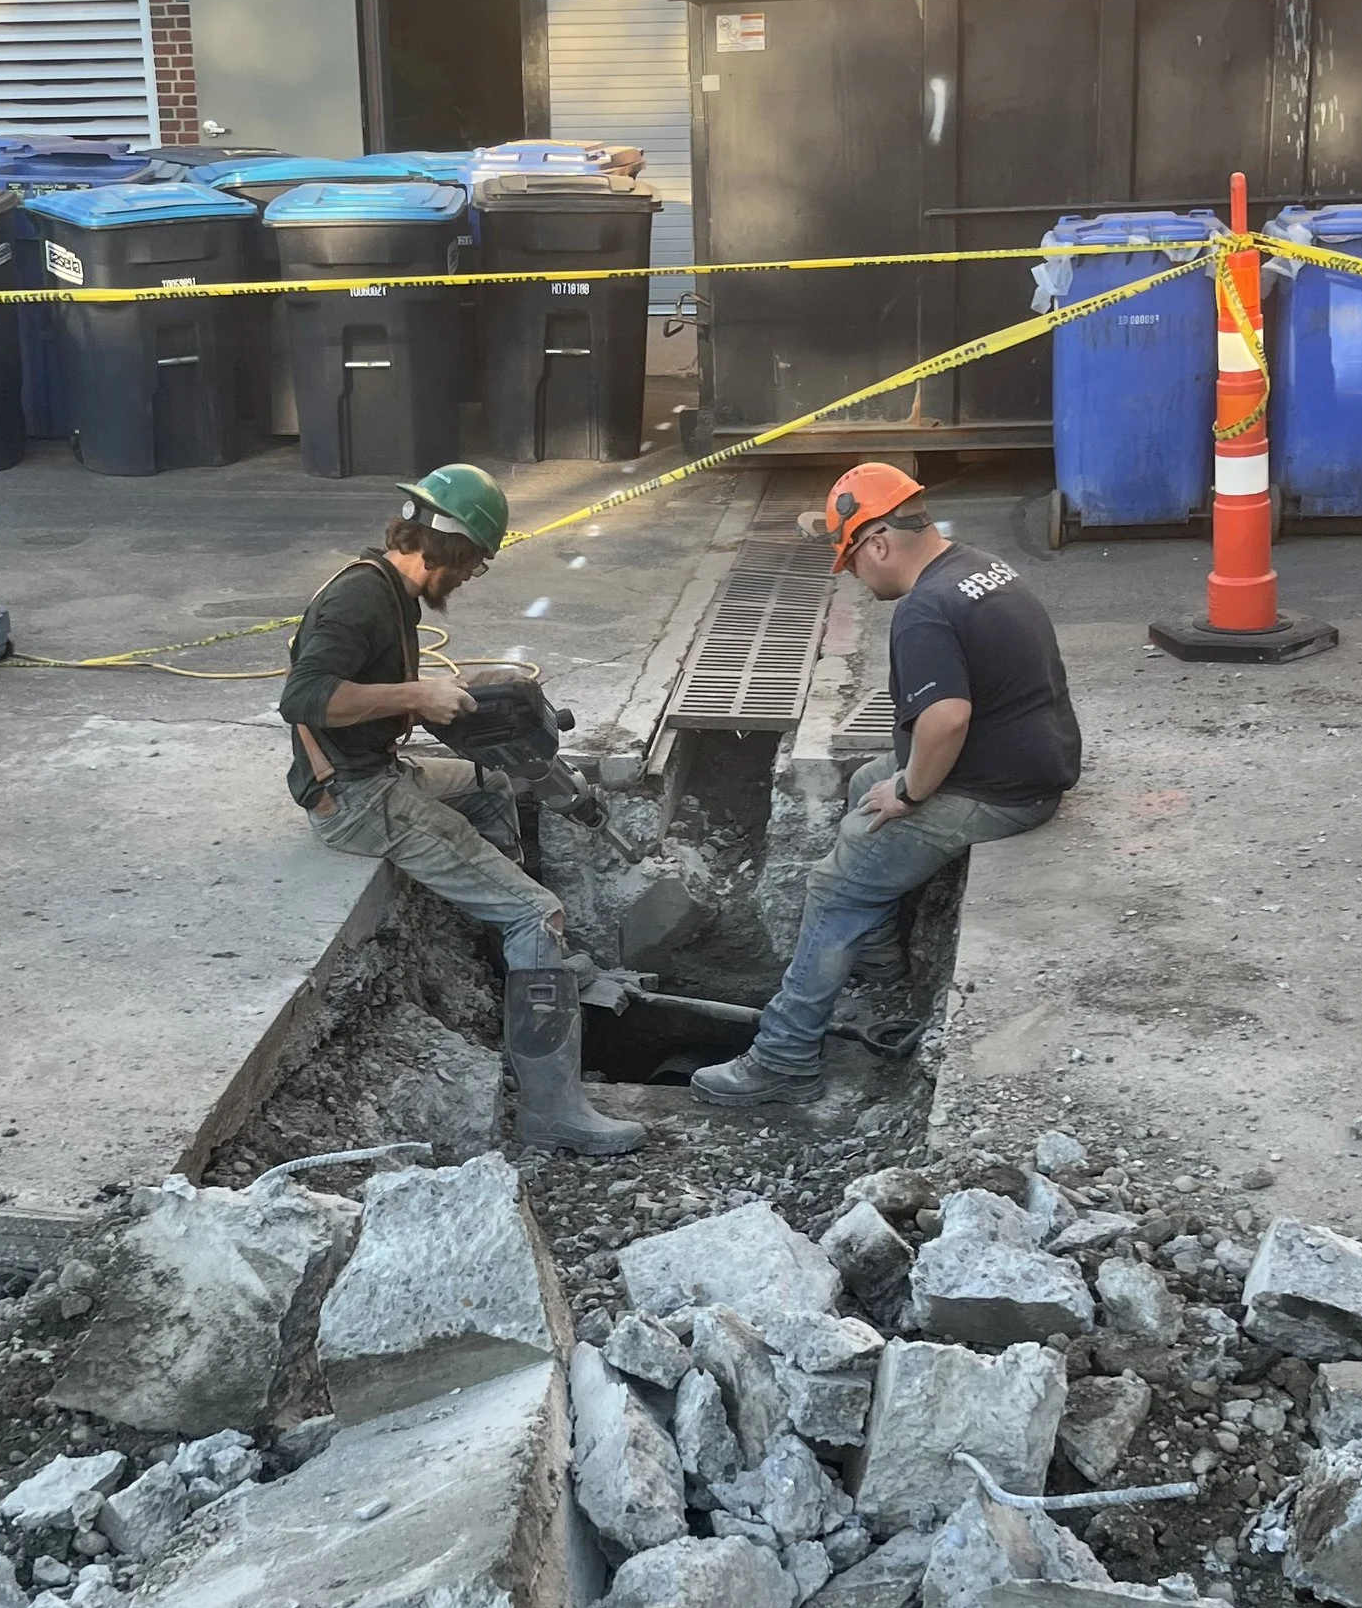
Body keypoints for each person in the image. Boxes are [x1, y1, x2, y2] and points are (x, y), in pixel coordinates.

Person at [280, 463, 644, 1158]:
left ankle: (512, 956)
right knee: (537, 910)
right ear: (443, 544)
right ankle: (554, 1109)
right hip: (356, 798)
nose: (469, 578)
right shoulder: (359, 599)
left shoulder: (392, 591)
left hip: (381, 768)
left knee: (491, 785)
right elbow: (304, 699)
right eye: (472, 565)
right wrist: (416, 697)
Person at [692, 462, 1082, 1109]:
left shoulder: (925, 609)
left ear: (878, 541)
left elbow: (948, 717)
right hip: (1032, 757)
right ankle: (879, 960)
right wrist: (894, 779)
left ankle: (785, 1056)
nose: (850, 574)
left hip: (1003, 788)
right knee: (869, 779)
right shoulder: (978, 566)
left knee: (834, 882)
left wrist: (911, 794)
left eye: (850, 559)